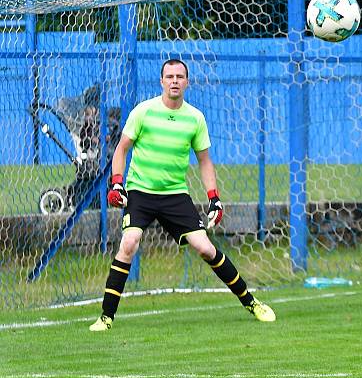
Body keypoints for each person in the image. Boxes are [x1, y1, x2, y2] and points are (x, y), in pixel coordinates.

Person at [89, 59, 275, 331]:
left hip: (175, 195)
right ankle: (106, 318)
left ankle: (251, 302)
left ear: (187, 82)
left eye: (179, 76)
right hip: (140, 192)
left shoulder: (195, 118)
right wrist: (117, 184)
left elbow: (205, 161)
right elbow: (121, 150)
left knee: (206, 248)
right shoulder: (144, 111)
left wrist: (214, 197)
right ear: (161, 81)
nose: (174, 80)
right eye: (169, 76)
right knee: (129, 243)